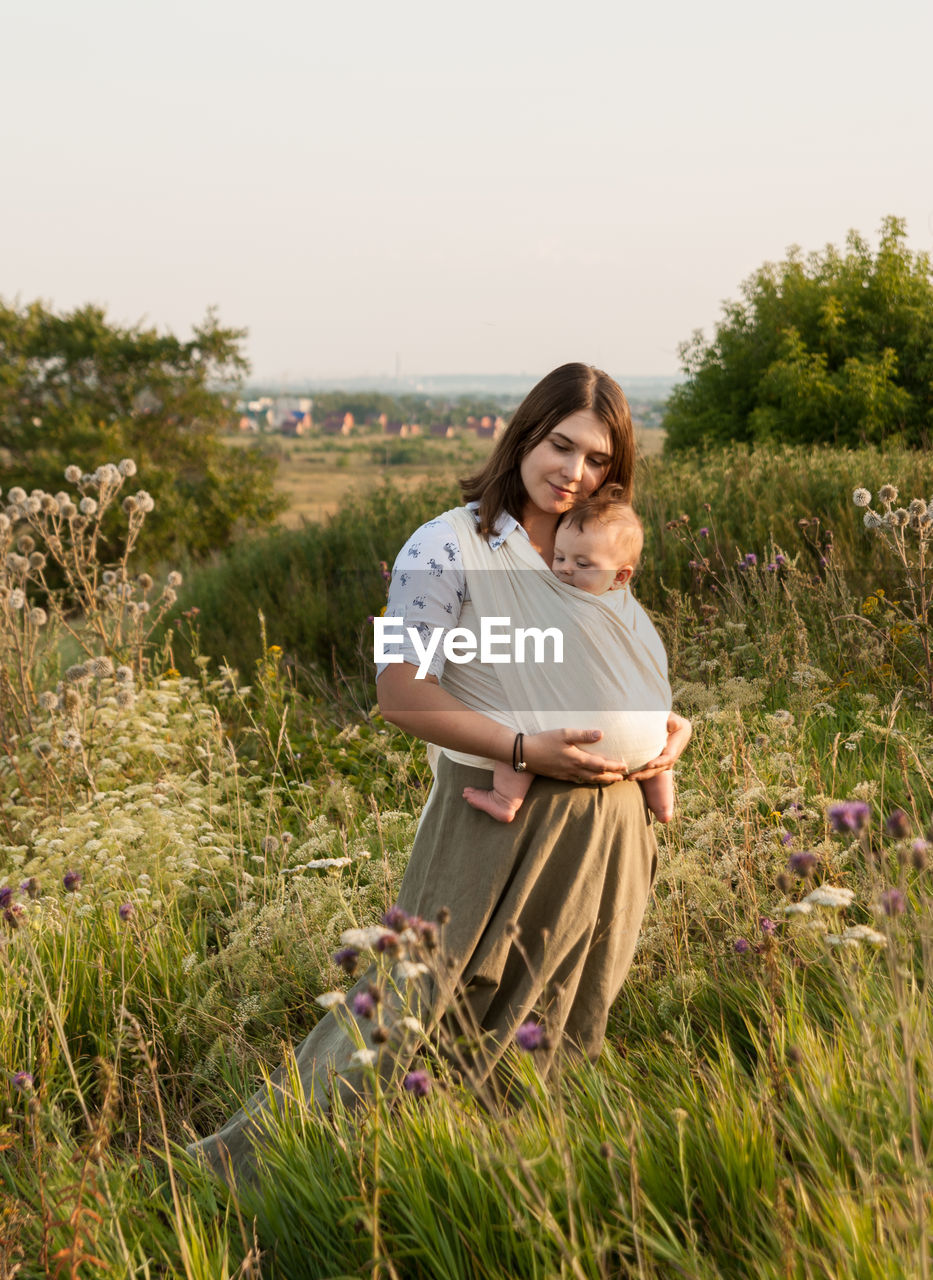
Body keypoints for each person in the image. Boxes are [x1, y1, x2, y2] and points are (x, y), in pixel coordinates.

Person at [187, 362, 691, 1181]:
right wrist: (525, 751)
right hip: (492, 820)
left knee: (561, 1024)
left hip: (610, 829)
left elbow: (616, 660)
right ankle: (282, 1178)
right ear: (525, 433)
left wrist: (668, 727)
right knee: (419, 1013)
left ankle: (492, 1191)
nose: (573, 471)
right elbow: (398, 694)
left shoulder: (593, 543)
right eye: (561, 445)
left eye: (597, 459)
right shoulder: (445, 544)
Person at [462, 486, 675, 825]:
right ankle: (663, 806)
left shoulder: (564, 605)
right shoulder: (626, 606)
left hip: (587, 741)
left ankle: (505, 798)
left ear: (621, 575)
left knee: (518, 712)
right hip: (653, 741)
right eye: (559, 557)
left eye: (582, 563)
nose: (564, 570)